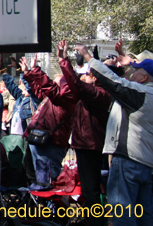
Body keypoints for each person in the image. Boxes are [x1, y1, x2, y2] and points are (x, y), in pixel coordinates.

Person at [75, 41, 153, 226]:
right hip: (146, 164)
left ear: (144, 78)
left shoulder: (140, 94)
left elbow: (114, 82)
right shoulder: (145, 93)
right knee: (144, 217)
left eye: (136, 70)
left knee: (123, 216)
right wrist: (127, 64)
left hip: (129, 160)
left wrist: (88, 57)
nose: (131, 72)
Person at [58, 40, 111, 226]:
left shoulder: (100, 94)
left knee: (91, 190)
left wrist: (64, 61)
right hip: (84, 146)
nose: (83, 77)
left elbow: (77, 86)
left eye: (87, 74)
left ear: (96, 78)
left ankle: (96, 222)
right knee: (89, 190)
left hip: (91, 147)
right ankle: (93, 221)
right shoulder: (90, 95)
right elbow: (62, 91)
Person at [20, 54, 76, 190]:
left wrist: (36, 70)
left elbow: (50, 88)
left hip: (51, 145)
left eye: (57, 83)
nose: (53, 84)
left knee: (49, 183)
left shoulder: (65, 100)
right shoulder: (52, 99)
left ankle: (53, 204)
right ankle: (42, 201)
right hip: (41, 142)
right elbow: (38, 90)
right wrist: (28, 73)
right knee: (40, 181)